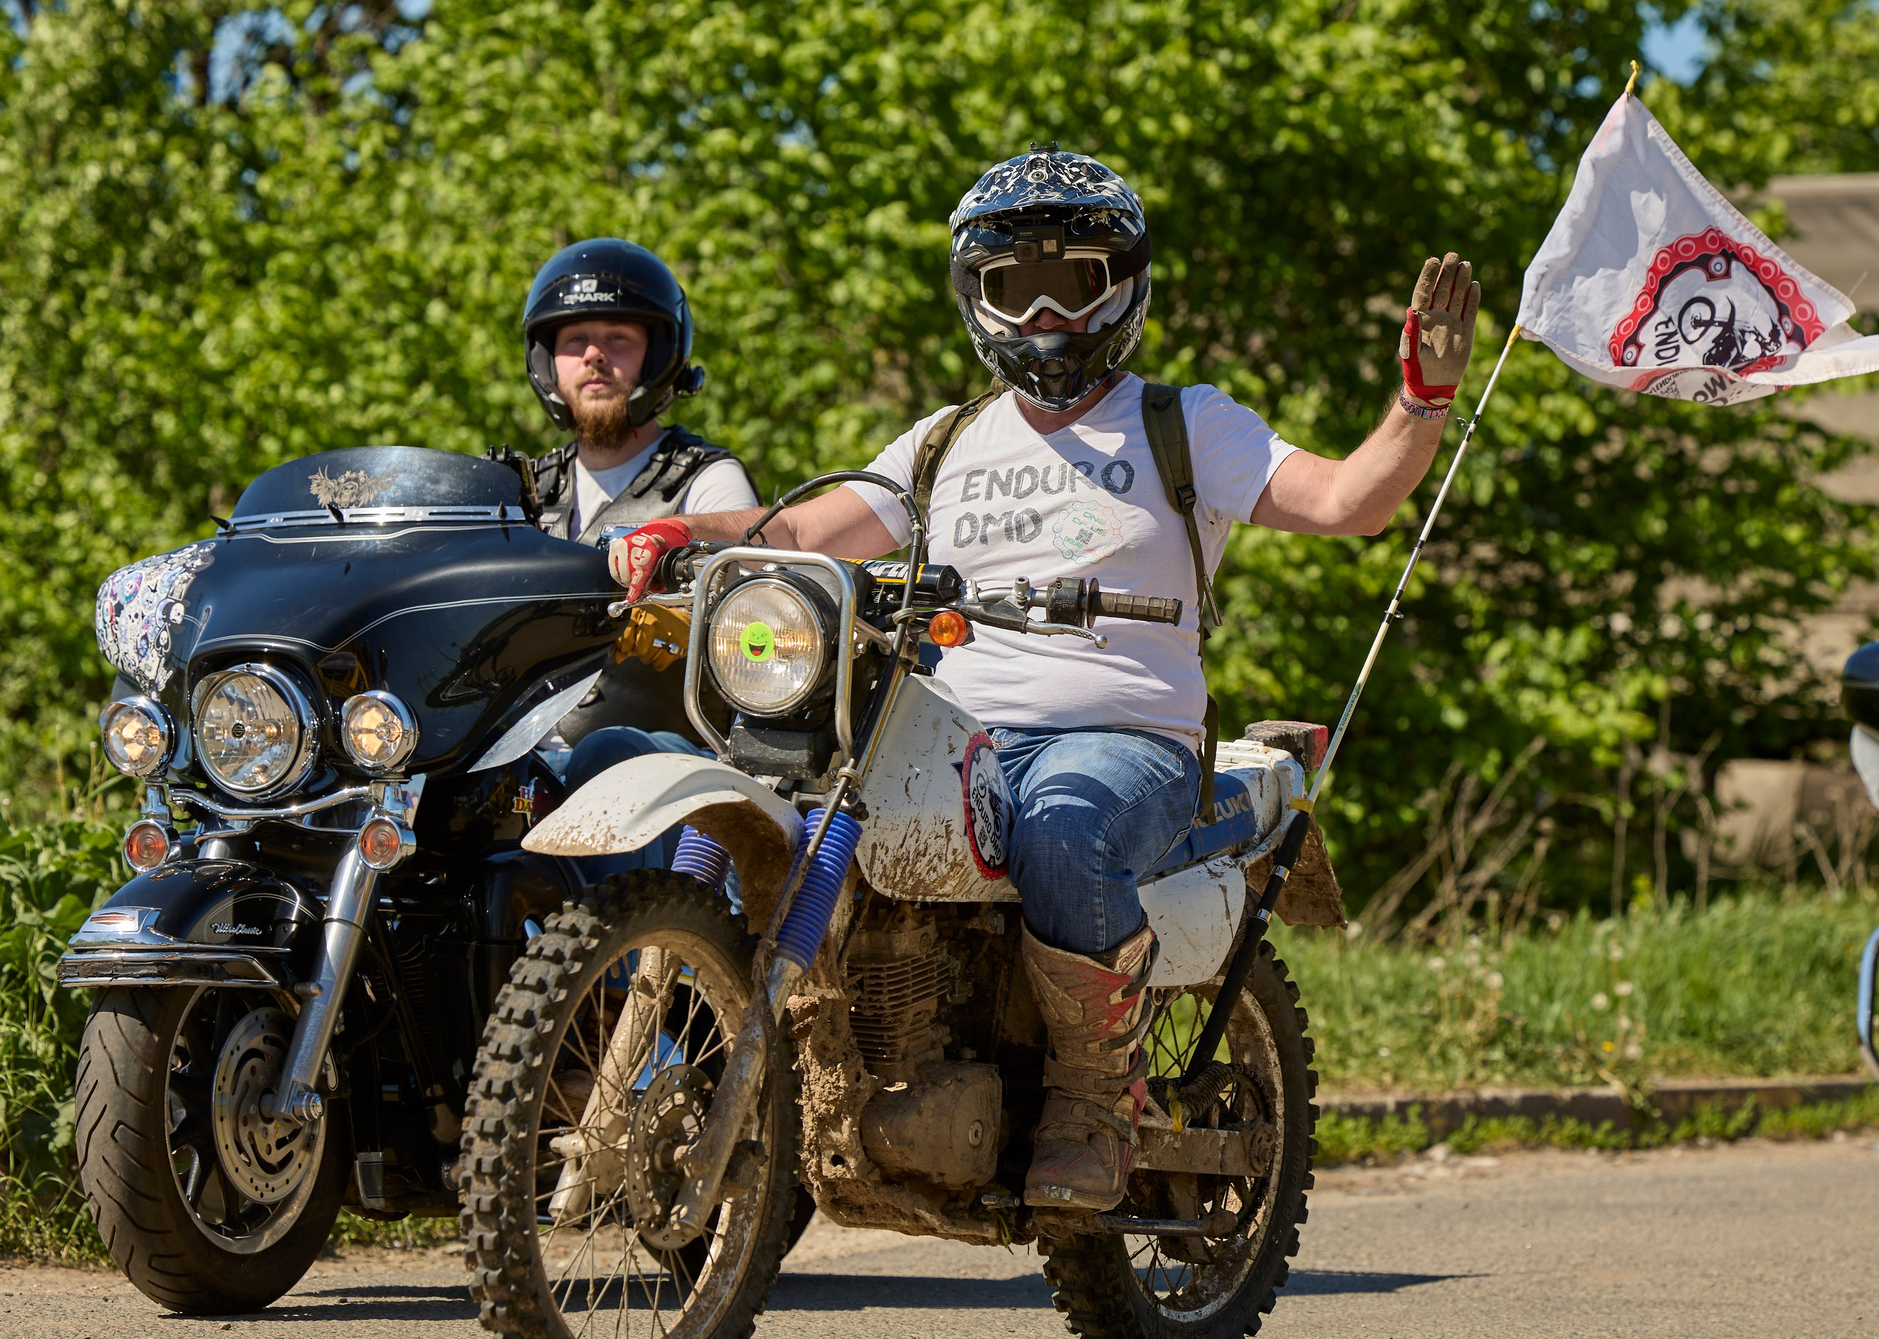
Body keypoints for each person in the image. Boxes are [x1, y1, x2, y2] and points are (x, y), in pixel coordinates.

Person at [605, 143, 1482, 1210]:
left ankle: (1092, 1099)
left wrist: (1420, 401)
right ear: (974, 297)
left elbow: (1349, 502)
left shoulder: (1183, 423)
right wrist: (680, 532)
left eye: (1072, 283)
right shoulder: (943, 443)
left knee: (1064, 824)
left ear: (1123, 287)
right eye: (1013, 289)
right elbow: (799, 529)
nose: (1043, 315)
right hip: (947, 729)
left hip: (1126, 740)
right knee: (766, 791)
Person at [519, 238, 760, 874]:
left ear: (658, 356)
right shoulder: (523, 494)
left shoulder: (708, 484)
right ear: (547, 362)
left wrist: (681, 617)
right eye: (575, 339)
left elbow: (755, 618)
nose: (594, 355)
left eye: (618, 338)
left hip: (668, 767)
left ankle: (629, 943)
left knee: (606, 754)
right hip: (522, 758)